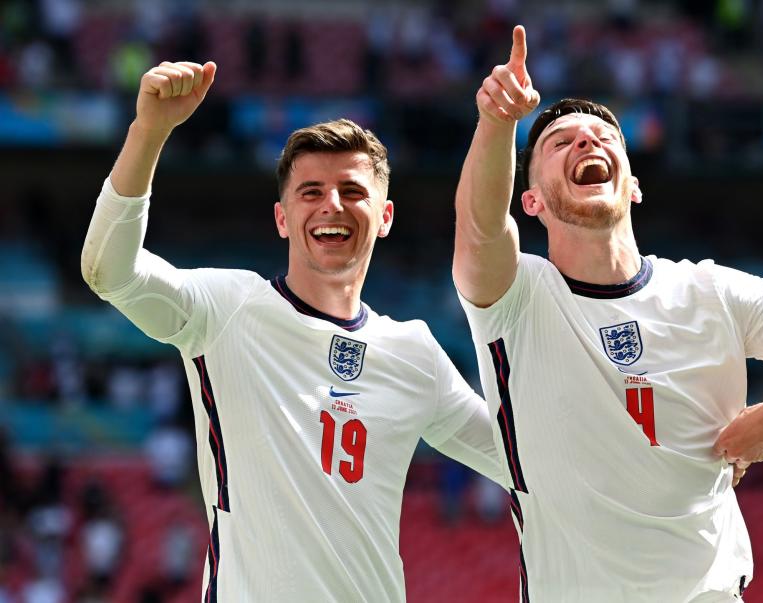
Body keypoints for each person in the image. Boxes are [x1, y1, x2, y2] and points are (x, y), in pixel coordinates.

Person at [453, 26, 763, 602]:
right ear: (532, 200)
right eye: (560, 142)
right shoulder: (515, 299)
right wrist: (498, 122)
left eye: (603, 137)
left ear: (634, 185)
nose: (587, 144)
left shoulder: (710, 290)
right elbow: (479, 228)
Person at [81, 60, 504, 601]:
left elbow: (518, 459)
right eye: (310, 192)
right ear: (282, 218)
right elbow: (109, 271)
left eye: (352, 191)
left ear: (386, 215)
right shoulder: (228, 310)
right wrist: (149, 132)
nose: (332, 205)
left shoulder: (415, 353)